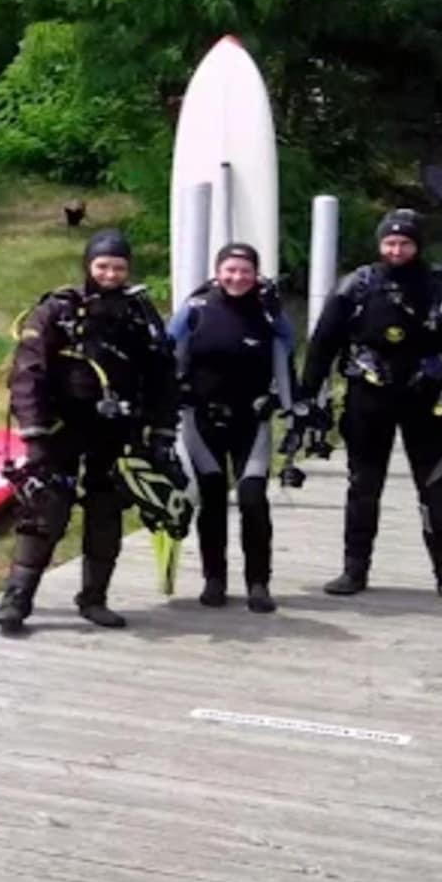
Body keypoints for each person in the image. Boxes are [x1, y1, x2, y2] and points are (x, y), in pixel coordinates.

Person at [297, 208, 442, 607]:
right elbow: (323, 344)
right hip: (369, 398)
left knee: (436, 486)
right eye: (389, 242)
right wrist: (307, 396)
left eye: (404, 243)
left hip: (427, 400)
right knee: (362, 485)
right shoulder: (356, 287)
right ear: (379, 245)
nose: (396, 249)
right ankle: (354, 569)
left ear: (418, 245)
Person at [0, 229, 178, 632]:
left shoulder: (139, 316)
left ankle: (94, 599)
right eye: (103, 266)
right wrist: (35, 433)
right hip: (60, 429)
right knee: (45, 512)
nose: (110, 274)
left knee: (106, 513)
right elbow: (28, 373)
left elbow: (164, 376)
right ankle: (17, 600)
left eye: (119, 267)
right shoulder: (58, 310)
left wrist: (163, 432)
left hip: (115, 431)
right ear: (88, 265)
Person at [168, 242, 296, 613]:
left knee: (254, 500)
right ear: (217, 271)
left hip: (251, 421)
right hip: (201, 419)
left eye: (245, 271)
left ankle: (258, 582)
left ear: (256, 274)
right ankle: (214, 579)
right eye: (230, 270)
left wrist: (289, 409)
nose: (237, 277)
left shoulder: (268, 311)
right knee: (212, 500)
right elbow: (165, 352)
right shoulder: (196, 308)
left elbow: (289, 354)